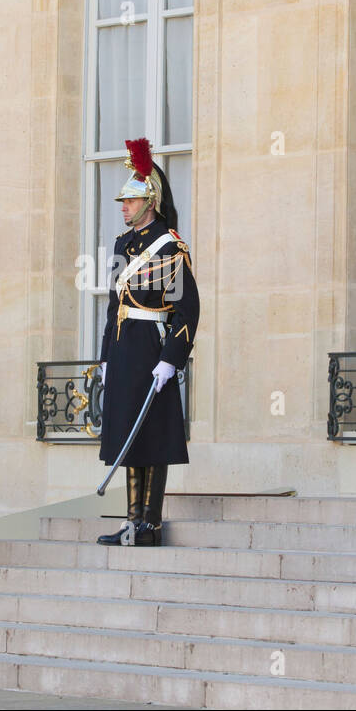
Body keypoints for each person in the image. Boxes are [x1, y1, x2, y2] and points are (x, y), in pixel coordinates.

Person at [96, 138, 200, 546]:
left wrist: (172, 359)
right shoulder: (124, 244)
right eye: (123, 200)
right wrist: (106, 355)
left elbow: (186, 310)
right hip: (124, 347)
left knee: (150, 436)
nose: (123, 206)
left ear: (150, 201)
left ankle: (149, 523)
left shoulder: (169, 246)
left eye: (131, 200)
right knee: (127, 433)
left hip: (152, 348)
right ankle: (131, 519)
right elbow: (113, 305)